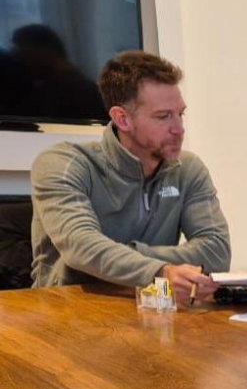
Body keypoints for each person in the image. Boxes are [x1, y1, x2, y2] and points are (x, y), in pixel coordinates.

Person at [30, 51, 230, 303]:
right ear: (122, 118)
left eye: (180, 114)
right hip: (68, 310)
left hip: (153, 308)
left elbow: (216, 252)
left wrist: (132, 256)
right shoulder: (62, 163)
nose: (179, 129)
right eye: (163, 116)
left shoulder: (188, 168)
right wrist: (160, 272)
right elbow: (81, 247)